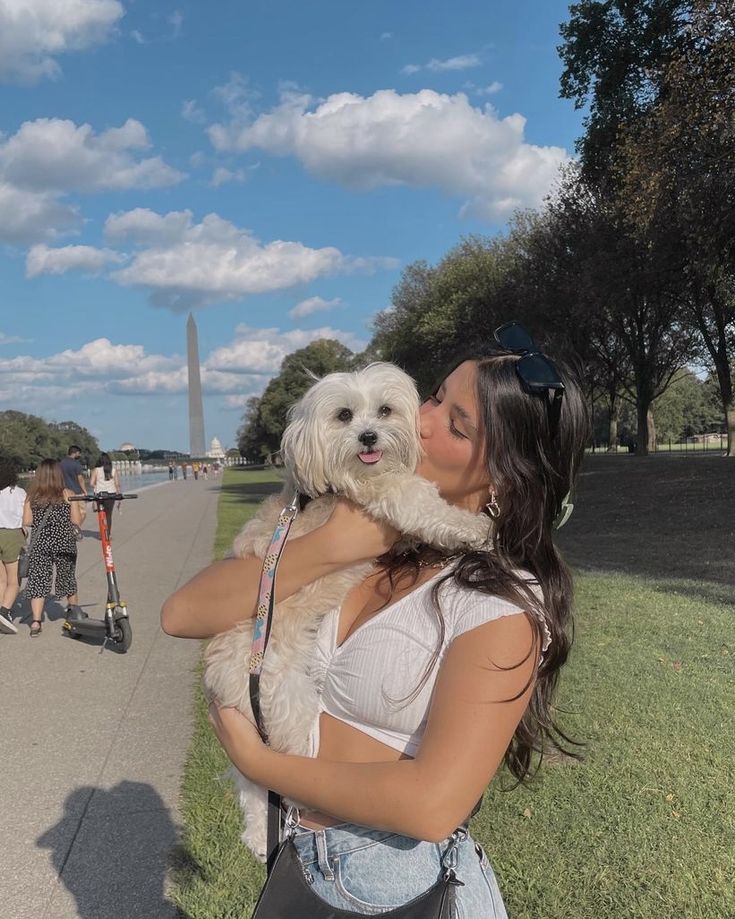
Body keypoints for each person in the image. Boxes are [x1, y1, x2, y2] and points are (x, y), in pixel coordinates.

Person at [161, 329, 589, 915]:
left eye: (456, 425)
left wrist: (260, 766)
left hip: (398, 884)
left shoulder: (499, 601)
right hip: (302, 866)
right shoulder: (367, 539)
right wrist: (332, 543)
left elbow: (432, 805)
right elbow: (182, 614)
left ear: (504, 476)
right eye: (434, 397)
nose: (424, 421)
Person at [22, 459, 85, 636]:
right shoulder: (67, 494)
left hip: (40, 544)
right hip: (64, 543)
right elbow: (76, 521)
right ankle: (73, 614)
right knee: (67, 579)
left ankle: (35, 622)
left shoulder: (32, 496)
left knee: (38, 581)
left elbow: (26, 521)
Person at [0, 461, 27, 634]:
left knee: (1, 579)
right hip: (12, 534)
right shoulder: (19, 493)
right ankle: (4, 612)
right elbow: (26, 519)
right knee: (14, 580)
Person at [89, 452, 121, 536]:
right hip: (111, 495)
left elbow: (91, 483)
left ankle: (102, 533)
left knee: (101, 514)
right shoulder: (113, 470)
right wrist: (118, 497)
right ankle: (108, 534)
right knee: (109, 515)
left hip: (100, 495)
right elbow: (117, 484)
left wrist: (98, 484)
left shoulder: (96, 470)